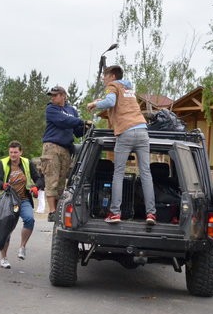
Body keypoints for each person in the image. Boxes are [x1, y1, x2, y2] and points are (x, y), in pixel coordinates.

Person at [86, 65, 156, 225]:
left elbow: (111, 101)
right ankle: (151, 214)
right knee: (146, 173)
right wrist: (98, 101)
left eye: (105, 76)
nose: (104, 79)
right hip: (143, 131)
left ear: (111, 76)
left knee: (118, 172)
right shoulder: (128, 87)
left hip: (126, 131)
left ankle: (115, 213)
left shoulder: (112, 86)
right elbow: (120, 101)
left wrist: (94, 105)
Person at [0, 141, 44, 269]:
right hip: (8, 201)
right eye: (11, 152)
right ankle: (3, 258)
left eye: (15, 152)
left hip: (23, 199)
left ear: (20, 152)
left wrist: (36, 187)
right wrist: (2, 185)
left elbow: (39, 179)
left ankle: (22, 247)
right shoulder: (3, 163)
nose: (13, 155)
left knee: (29, 219)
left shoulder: (27, 163)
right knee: (6, 228)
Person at [41, 85, 88, 221]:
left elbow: (76, 130)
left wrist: (85, 127)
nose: (53, 98)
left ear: (63, 95)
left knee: (62, 182)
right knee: (52, 179)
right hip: (52, 147)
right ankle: (52, 211)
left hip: (66, 148)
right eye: (52, 95)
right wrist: (80, 121)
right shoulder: (51, 109)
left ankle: (59, 210)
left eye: (55, 95)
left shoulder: (72, 110)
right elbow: (63, 121)